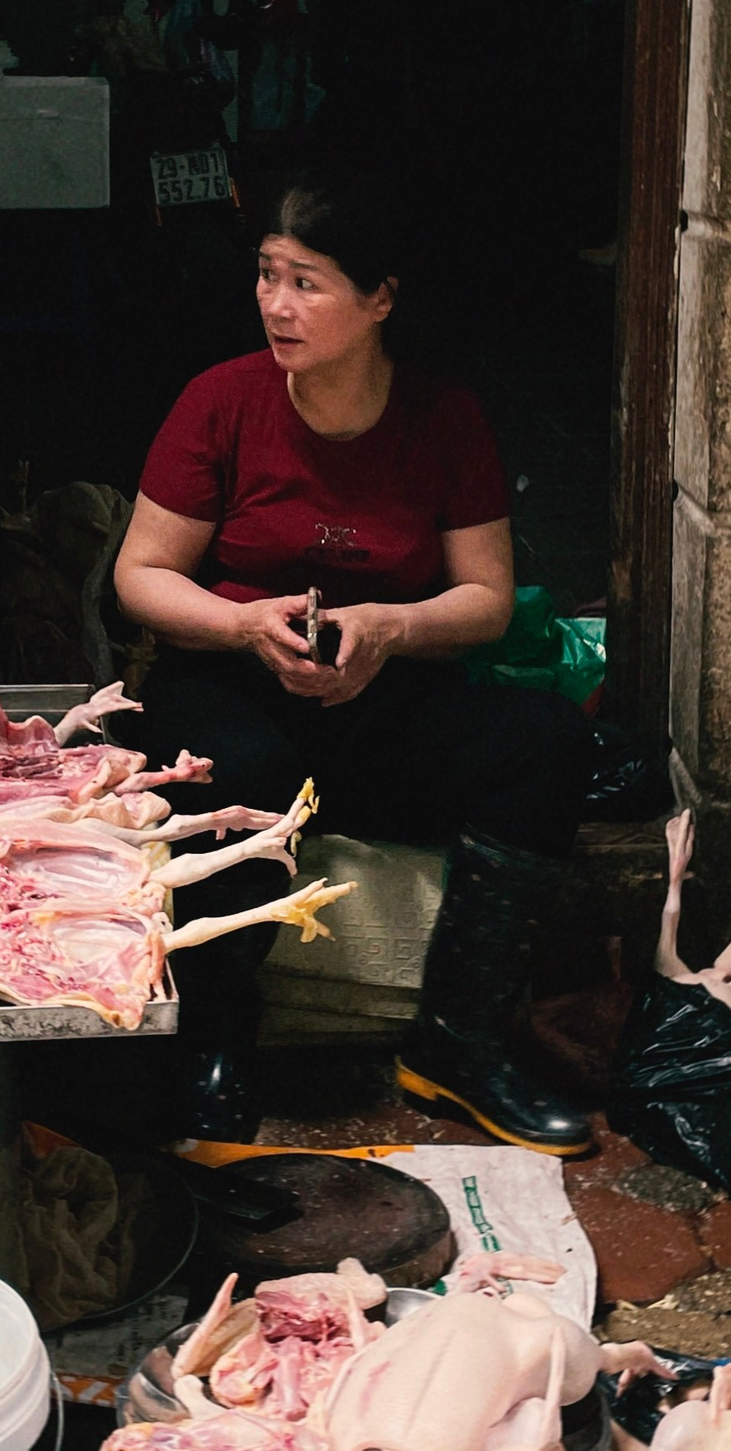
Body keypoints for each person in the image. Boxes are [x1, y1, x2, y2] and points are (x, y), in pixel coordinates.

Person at [114, 167, 598, 1152]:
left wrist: (386, 627)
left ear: (379, 299)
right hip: (234, 687)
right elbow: (141, 573)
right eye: (267, 275)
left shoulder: (443, 417)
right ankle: (213, 1039)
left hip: (380, 695)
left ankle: (457, 1038)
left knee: (546, 742)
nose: (276, 304)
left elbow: (485, 597)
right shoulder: (221, 401)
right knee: (229, 766)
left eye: (307, 282)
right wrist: (244, 625)